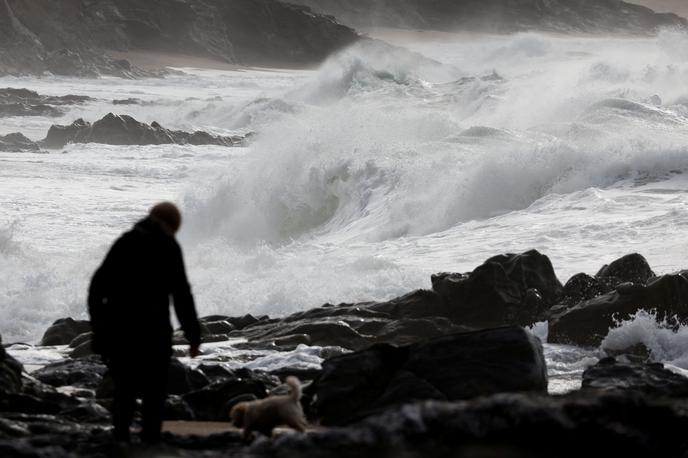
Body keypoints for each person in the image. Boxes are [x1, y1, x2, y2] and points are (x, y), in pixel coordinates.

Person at [88, 202, 201, 444]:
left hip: (120, 331)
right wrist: (193, 336)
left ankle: (120, 440)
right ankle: (149, 442)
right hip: (154, 332)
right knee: (154, 393)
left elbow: (96, 288)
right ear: (172, 225)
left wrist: (99, 328)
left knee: (124, 390)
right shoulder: (168, 246)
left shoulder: (125, 242)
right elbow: (182, 296)